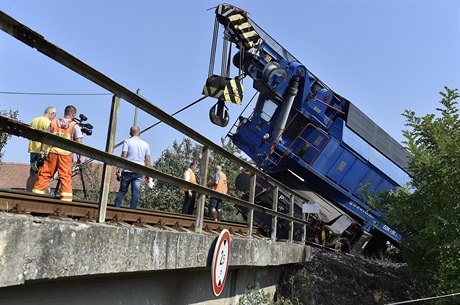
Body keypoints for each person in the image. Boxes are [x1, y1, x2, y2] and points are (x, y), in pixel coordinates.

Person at [32, 105, 84, 201]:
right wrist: (81, 157)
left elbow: (45, 137)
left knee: (45, 174)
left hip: (53, 153)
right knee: (65, 177)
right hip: (66, 155)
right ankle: (66, 200)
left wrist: (42, 151)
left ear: (65, 113)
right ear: (74, 115)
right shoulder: (74, 126)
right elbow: (79, 142)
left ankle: (36, 195)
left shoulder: (53, 122)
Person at [114, 125, 151, 210]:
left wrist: (119, 169)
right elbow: (147, 160)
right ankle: (132, 212)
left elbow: (123, 156)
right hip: (139, 171)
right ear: (140, 133)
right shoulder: (146, 144)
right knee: (135, 193)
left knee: (122, 191)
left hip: (127, 170)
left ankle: (116, 209)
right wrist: (148, 174)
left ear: (130, 133)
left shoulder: (127, 141)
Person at [26, 106, 57, 191]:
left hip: (33, 150)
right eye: (54, 115)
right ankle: (36, 193)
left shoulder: (34, 120)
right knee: (41, 175)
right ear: (52, 113)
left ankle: (28, 193)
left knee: (32, 174)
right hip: (43, 152)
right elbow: (48, 137)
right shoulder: (48, 123)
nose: (54, 117)